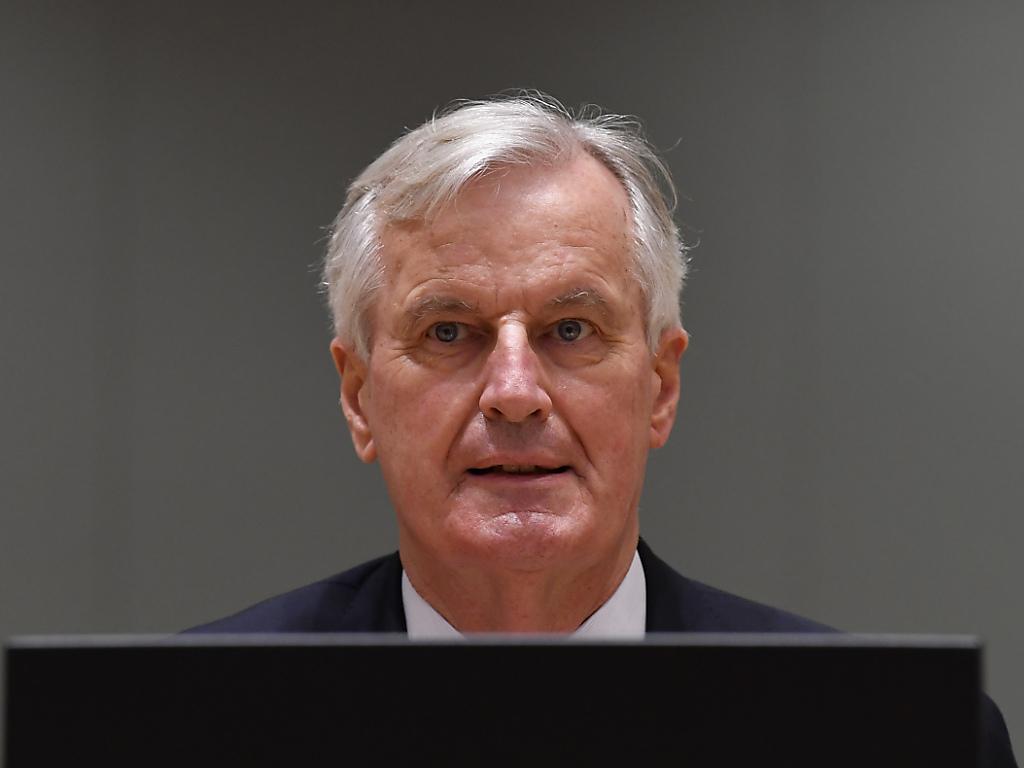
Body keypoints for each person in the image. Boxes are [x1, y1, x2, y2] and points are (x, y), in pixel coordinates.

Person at [189, 93, 1016, 764]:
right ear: (359, 397)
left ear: (661, 386)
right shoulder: (187, 725)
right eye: (448, 332)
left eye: (571, 329)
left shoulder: (892, 739)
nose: (515, 394)